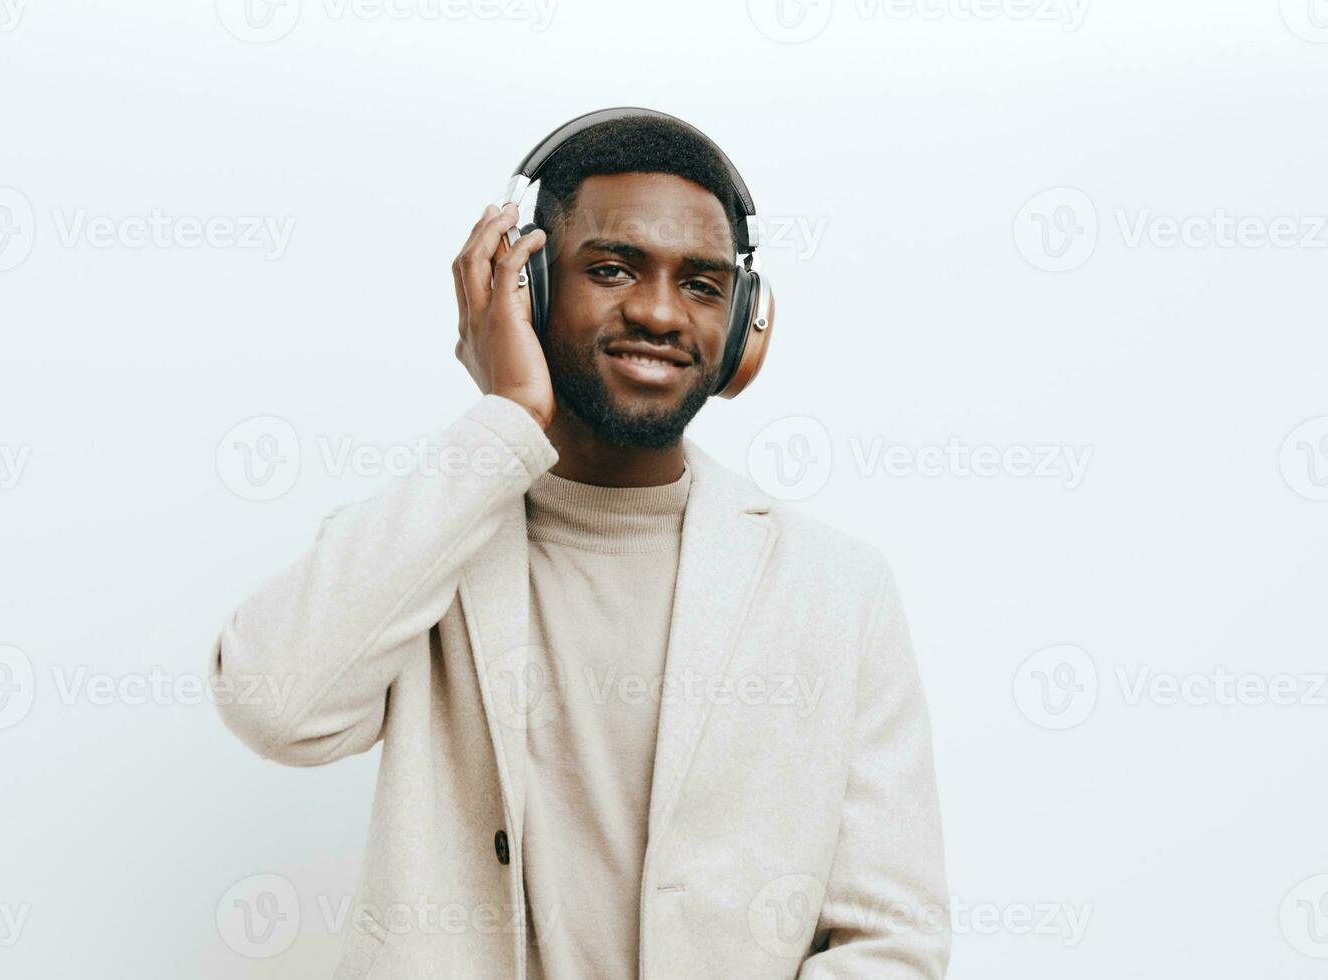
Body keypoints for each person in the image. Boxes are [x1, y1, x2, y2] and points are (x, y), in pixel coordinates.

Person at [212, 111, 950, 979]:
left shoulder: (836, 587)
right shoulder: (430, 538)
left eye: (704, 285)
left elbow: (893, 938)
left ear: (746, 324)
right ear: (527, 291)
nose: (659, 312)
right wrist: (507, 418)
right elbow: (273, 707)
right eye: (611, 269)